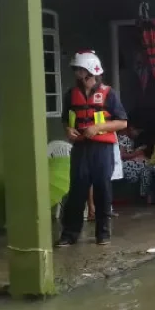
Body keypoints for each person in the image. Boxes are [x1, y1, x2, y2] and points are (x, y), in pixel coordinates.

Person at [55, 50, 128, 247]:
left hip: (102, 151)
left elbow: (122, 123)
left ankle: (103, 233)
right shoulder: (71, 94)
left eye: (79, 69)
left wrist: (98, 128)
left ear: (89, 71)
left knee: (102, 190)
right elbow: (66, 119)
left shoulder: (108, 94)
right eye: (76, 69)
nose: (76, 73)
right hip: (80, 149)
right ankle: (69, 234)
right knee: (77, 190)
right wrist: (68, 131)